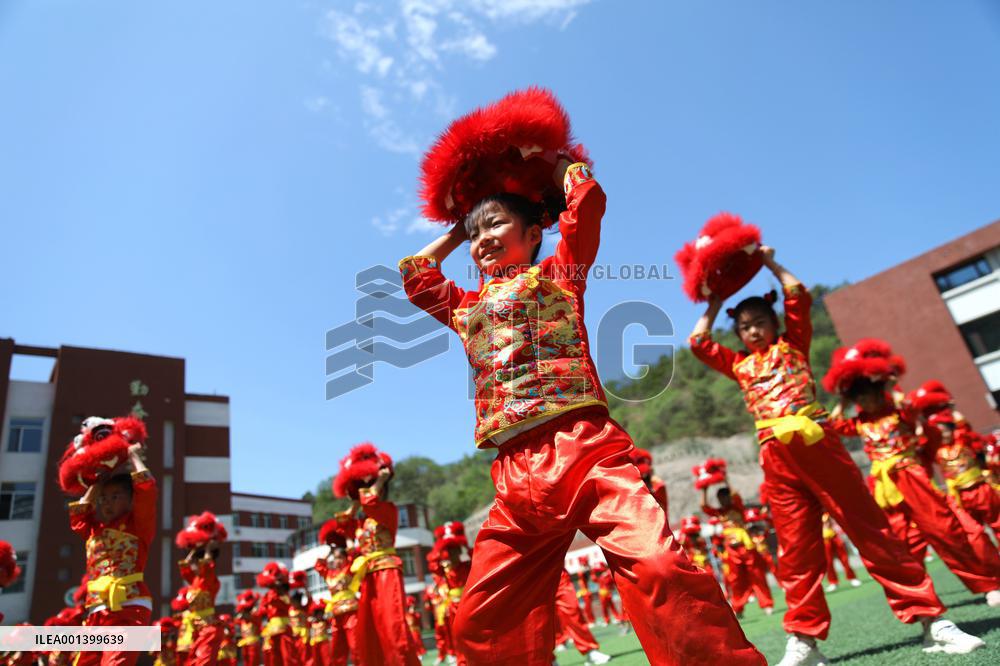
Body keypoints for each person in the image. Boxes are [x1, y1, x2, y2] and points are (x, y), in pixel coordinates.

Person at [402, 90, 762, 664]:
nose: (483, 239)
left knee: (660, 566)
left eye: (496, 224)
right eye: (475, 236)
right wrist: (460, 218)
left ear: (534, 231)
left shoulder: (559, 275)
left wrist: (549, 160)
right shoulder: (465, 307)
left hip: (586, 452)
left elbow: (586, 201)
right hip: (513, 476)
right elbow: (417, 275)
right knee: (479, 619)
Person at [690, 246, 985, 664]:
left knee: (872, 532)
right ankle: (805, 641)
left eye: (759, 323)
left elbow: (796, 295)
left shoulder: (793, 345)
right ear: (737, 335)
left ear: (775, 324)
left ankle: (931, 620)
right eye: (744, 327)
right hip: (775, 456)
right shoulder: (739, 366)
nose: (753, 331)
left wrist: (769, 262)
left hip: (817, 444)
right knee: (796, 550)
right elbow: (699, 342)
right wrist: (716, 301)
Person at [68, 435, 155, 666]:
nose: (106, 503)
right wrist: (98, 482)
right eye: (103, 499)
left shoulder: (139, 525)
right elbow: (78, 516)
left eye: (115, 496)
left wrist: (132, 455)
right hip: (97, 610)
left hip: (129, 606)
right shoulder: (93, 529)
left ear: (131, 500)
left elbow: (147, 487)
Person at [332, 444, 420, 665]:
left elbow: (370, 501)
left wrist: (380, 480)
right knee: (370, 631)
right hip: (368, 578)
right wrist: (352, 502)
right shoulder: (362, 521)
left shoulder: (388, 510)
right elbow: (342, 527)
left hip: (386, 572)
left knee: (393, 627)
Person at [701, 482, 774, 616]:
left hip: (746, 547)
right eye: (720, 499)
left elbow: (736, 495)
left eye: (725, 497)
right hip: (731, 550)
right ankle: (738, 607)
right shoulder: (720, 513)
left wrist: (724, 479)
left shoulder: (737, 507)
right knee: (735, 579)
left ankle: (767, 604)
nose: (723, 501)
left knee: (757, 575)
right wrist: (704, 489)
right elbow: (705, 507)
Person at [821, 514, 859, 592]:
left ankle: (852, 578)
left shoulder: (827, 514)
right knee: (828, 562)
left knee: (844, 559)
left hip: (835, 536)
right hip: (824, 540)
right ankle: (833, 582)